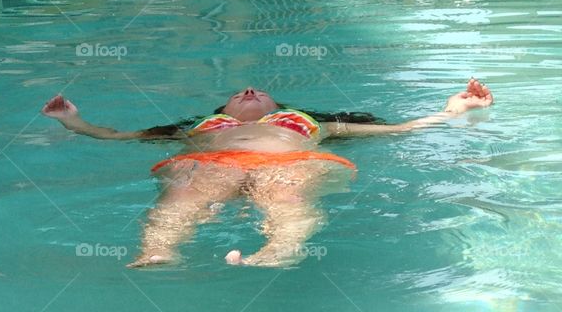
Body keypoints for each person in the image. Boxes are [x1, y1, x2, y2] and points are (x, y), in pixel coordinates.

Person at [42, 79, 493, 267]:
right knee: (181, 199)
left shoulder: (312, 124)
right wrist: (73, 122)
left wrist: (453, 111)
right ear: (224, 110)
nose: (250, 91)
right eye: (240, 94)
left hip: (289, 162)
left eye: (259, 93)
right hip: (211, 162)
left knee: (290, 199)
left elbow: (398, 131)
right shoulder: (194, 130)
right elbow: (116, 136)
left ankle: (281, 249)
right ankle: (157, 253)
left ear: (280, 108)